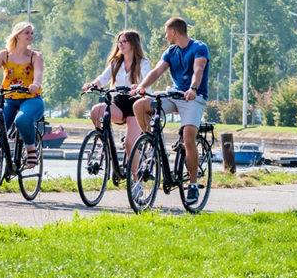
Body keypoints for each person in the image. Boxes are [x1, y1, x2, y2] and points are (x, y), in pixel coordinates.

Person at [130, 17, 210, 205]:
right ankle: (152, 143)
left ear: (174, 32)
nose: (165, 36)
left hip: (193, 97)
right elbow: (157, 72)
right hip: (174, 95)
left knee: (188, 137)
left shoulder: (199, 47)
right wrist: (141, 87)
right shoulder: (171, 51)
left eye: (167, 32)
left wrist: (193, 88)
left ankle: (192, 185)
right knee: (139, 105)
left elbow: (198, 70)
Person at [0, 21, 45, 175]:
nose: (31, 36)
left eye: (32, 33)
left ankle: (30, 149)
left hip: (31, 99)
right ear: (17, 35)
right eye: (27, 33)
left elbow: (38, 75)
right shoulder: (4, 55)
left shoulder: (35, 56)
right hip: (9, 99)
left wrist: (35, 84)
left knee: (22, 120)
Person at [82, 29, 151, 162]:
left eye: (124, 41)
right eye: (119, 42)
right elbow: (102, 79)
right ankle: (106, 144)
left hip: (136, 105)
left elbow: (147, 82)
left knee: (130, 144)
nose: (120, 44)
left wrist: (139, 87)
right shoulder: (115, 63)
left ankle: (134, 174)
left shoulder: (143, 63)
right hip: (118, 103)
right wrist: (92, 84)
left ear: (133, 44)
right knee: (96, 111)